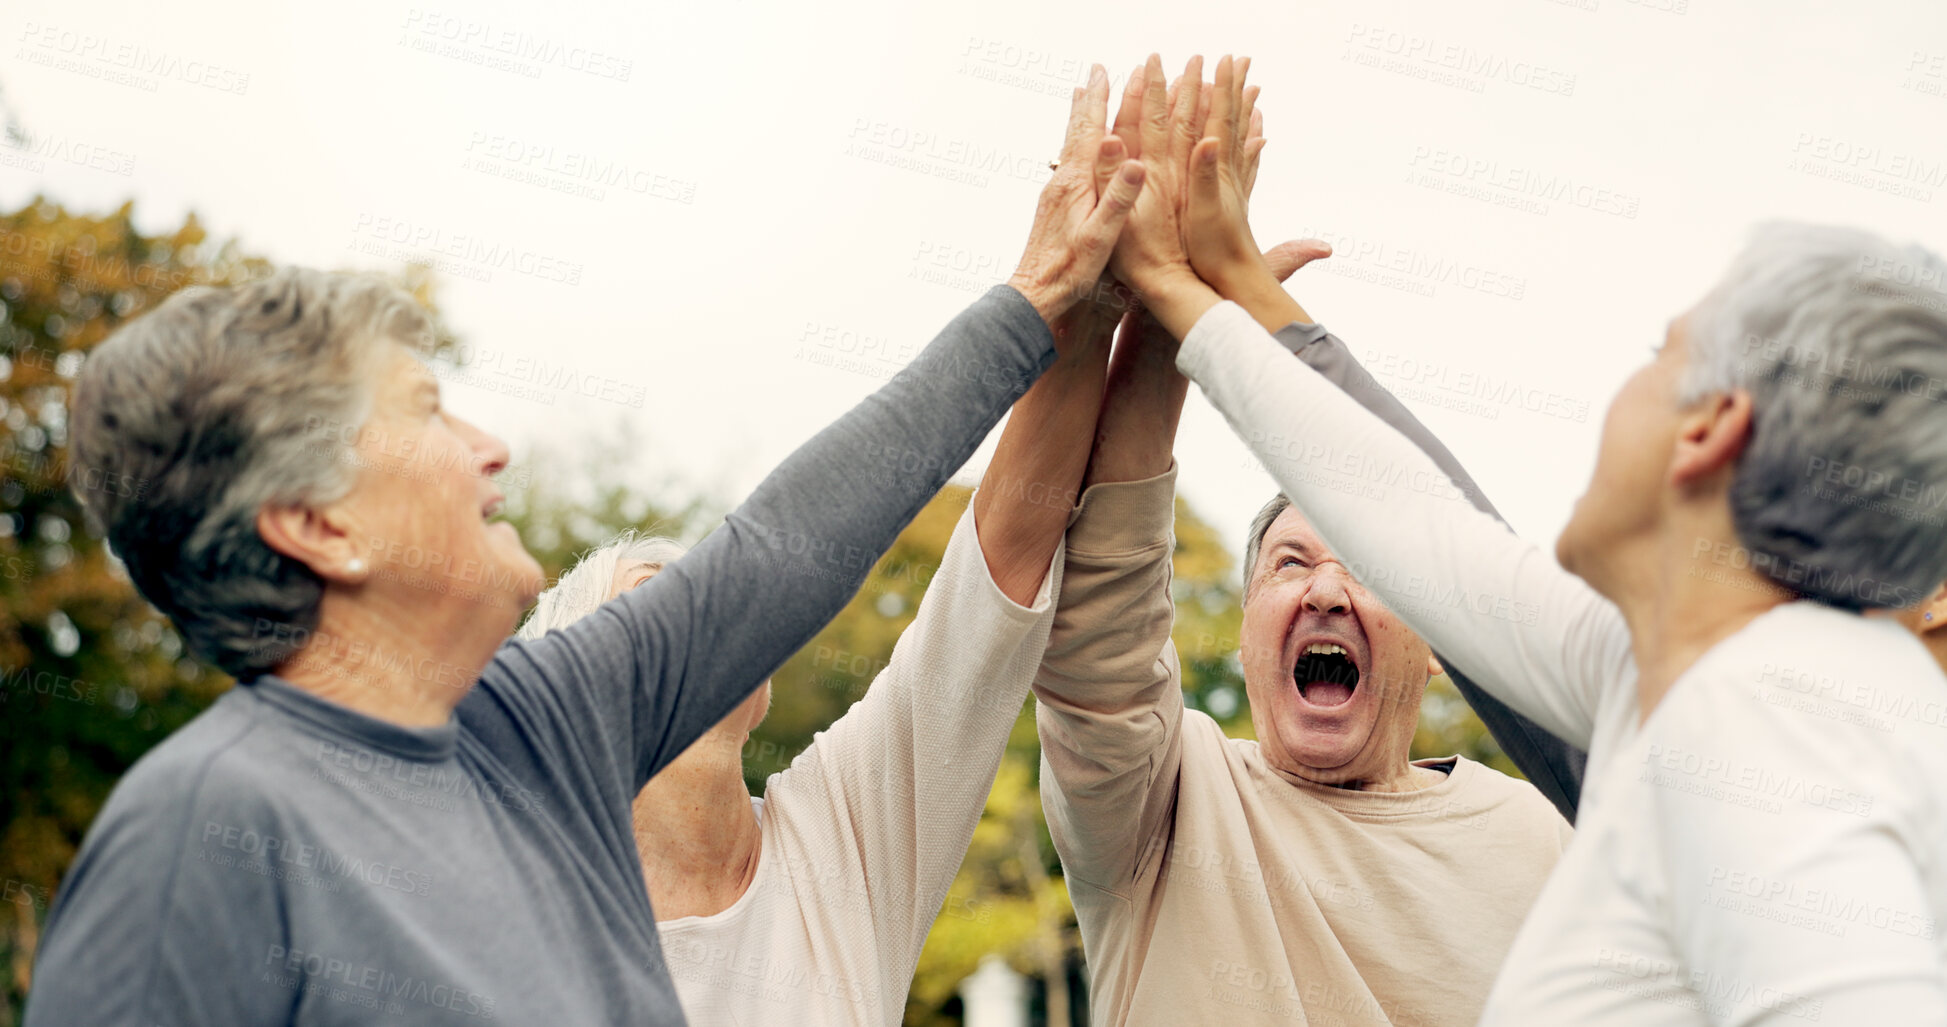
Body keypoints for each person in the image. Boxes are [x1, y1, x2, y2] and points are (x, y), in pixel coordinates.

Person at [23, 71, 1148, 1026]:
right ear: (319, 524)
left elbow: (783, 545)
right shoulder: (201, 837)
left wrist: (1039, 299)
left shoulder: (544, 724)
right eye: (427, 413)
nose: (490, 447)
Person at [1150, 54, 1947, 1025]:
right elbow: (1423, 526)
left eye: (1663, 356)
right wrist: (1216, 290)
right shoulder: (1675, 672)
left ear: (1708, 430)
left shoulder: (1771, 727)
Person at [1031, 56, 1573, 1027]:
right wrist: (1161, 326)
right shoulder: (1164, 802)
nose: (1326, 590)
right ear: (1245, 638)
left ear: (1444, 643)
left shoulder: (1544, 840)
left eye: (1365, 565)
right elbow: (1099, 634)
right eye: (1291, 563)